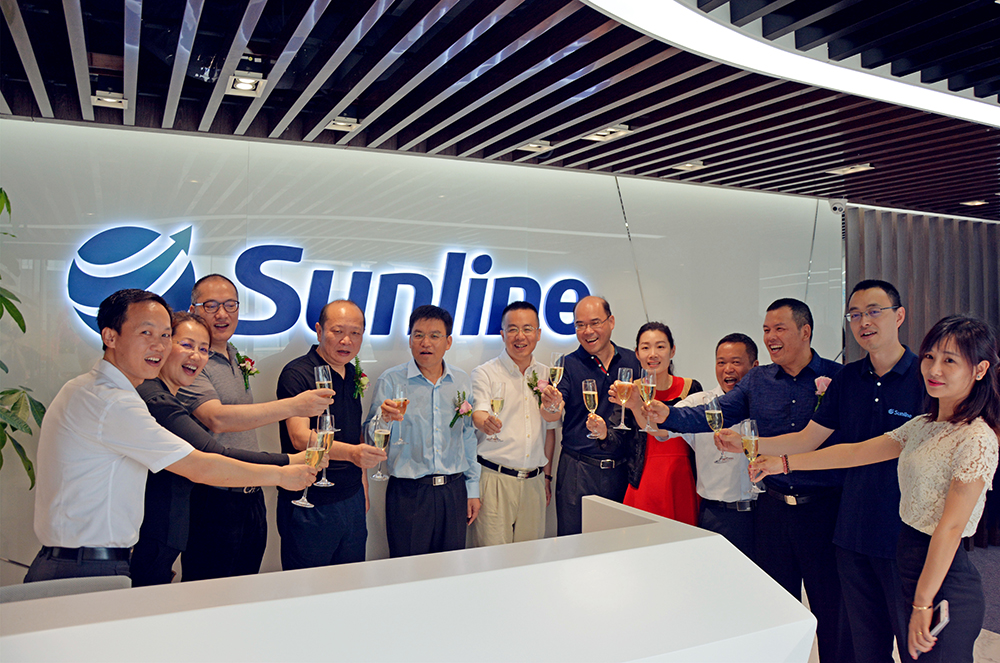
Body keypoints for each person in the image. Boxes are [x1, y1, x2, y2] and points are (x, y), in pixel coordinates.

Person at [752, 315, 999, 663]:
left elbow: (951, 527)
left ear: (979, 369)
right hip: (908, 560)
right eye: (930, 356)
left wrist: (923, 602)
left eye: (949, 360)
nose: (934, 369)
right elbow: (855, 453)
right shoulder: (924, 425)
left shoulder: (976, 437)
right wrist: (784, 463)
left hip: (943, 577)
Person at [25, 289, 318, 583]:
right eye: (146, 333)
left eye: (165, 335)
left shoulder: (94, 389)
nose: (158, 345)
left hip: (85, 561)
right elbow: (201, 464)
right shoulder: (113, 401)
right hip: (85, 568)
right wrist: (282, 474)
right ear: (110, 337)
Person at [720, 280, 923, 661]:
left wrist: (779, 459)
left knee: (913, 641)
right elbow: (809, 440)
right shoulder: (847, 379)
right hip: (851, 529)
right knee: (863, 643)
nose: (864, 322)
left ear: (899, 316)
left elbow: (860, 451)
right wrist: (761, 451)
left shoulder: (924, 377)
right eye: (855, 315)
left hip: (905, 529)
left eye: (874, 311)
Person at [643, 298, 847, 663]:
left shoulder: (838, 378)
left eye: (780, 329)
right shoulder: (758, 380)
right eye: (766, 330)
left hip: (824, 510)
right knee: (776, 608)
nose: (770, 337)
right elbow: (715, 413)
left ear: (805, 332)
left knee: (832, 611)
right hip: (773, 511)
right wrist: (668, 414)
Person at [131, 312, 313, 587]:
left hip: (172, 533)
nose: (196, 356)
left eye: (203, 349)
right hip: (159, 529)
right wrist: (286, 463)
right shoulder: (155, 399)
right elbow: (212, 454)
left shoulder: (170, 394)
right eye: (186, 345)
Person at [177, 274, 333, 581]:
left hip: (251, 493)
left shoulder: (233, 353)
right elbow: (217, 418)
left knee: (247, 587)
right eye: (211, 305)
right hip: (213, 496)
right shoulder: (189, 362)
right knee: (208, 592)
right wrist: (293, 406)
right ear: (193, 310)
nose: (222, 314)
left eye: (230, 305)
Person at [275, 300, 386, 570]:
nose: (346, 340)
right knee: (307, 584)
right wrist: (352, 454)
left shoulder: (352, 373)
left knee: (351, 581)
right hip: (310, 500)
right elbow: (300, 437)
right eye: (338, 331)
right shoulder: (297, 373)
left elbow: (354, 433)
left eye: (355, 333)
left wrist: (363, 486)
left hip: (351, 498)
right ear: (319, 331)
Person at [366, 305, 480, 557]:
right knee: (407, 569)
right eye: (418, 335)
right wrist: (384, 419)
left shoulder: (461, 380)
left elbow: (467, 436)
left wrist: (472, 488)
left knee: (451, 567)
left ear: (448, 342)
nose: (425, 343)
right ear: (410, 340)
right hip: (408, 493)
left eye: (434, 335)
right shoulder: (391, 380)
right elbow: (370, 440)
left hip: (454, 490)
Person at [470, 301, 561, 546]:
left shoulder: (547, 375)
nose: (520, 336)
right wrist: (486, 423)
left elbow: (550, 432)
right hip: (494, 480)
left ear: (538, 334)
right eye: (512, 329)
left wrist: (547, 478)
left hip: (534, 482)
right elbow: (478, 414)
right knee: (492, 558)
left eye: (527, 329)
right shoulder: (485, 373)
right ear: (502, 334)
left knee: (531, 558)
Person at [555, 296, 642, 536]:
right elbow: (553, 412)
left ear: (611, 322)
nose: (588, 331)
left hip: (621, 471)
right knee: (573, 544)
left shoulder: (633, 361)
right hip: (577, 471)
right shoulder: (567, 364)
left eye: (595, 323)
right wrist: (551, 405)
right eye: (580, 325)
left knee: (618, 544)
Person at [674, 333, 759, 558]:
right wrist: (640, 407)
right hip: (718, 516)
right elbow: (664, 428)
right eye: (721, 362)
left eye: (736, 362)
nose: (727, 369)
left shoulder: (766, 405)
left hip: (764, 515)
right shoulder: (700, 403)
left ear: (755, 367)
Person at [617, 323, 703, 524]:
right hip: (643, 478)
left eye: (660, 346)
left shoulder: (691, 387)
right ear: (637, 354)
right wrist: (602, 431)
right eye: (645, 347)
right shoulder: (629, 390)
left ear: (672, 351)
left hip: (682, 478)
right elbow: (618, 438)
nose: (653, 354)